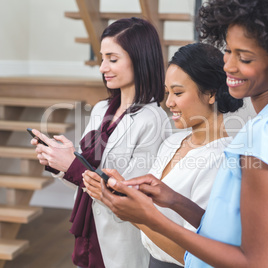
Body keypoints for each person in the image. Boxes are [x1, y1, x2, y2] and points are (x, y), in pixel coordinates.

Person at [92, 0, 268, 267]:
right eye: (228, 51)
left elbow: (253, 262)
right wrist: (175, 200)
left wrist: (147, 218)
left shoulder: (265, 135)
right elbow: (230, 232)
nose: (229, 67)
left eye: (244, 58)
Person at [83, 42, 243, 268]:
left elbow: (200, 255)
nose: (168, 103)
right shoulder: (172, 142)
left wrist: (137, 216)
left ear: (211, 94)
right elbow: (153, 207)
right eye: (167, 93)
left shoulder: (221, 160)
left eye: (177, 93)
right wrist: (123, 191)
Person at [30, 17, 171, 268]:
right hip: (89, 235)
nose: (102, 67)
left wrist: (73, 164)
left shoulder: (153, 120)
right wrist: (59, 162)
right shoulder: (101, 109)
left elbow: (130, 196)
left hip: (120, 243)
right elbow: (83, 182)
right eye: (102, 58)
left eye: (112, 59)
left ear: (139, 60)